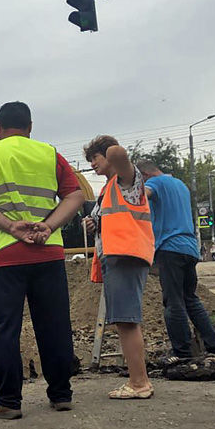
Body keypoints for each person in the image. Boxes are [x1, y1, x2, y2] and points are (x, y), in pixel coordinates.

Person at [0, 101, 85, 419]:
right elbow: (75, 194)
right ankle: (61, 395)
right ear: (30, 127)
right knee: (55, 325)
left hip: (2, 254)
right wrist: (49, 225)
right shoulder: (49, 154)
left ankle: (7, 401)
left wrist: (9, 226)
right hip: (48, 251)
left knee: (6, 328)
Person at [83, 135, 154, 400]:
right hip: (118, 257)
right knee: (125, 320)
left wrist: (108, 148)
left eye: (95, 158)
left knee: (127, 320)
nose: (92, 165)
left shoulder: (127, 180)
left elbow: (118, 153)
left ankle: (139, 383)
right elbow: (111, 219)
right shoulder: (107, 189)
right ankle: (139, 380)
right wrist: (94, 224)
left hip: (126, 256)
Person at [136, 161, 215, 360]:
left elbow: (142, 195)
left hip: (170, 248)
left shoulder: (156, 183)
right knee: (190, 299)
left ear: (144, 175)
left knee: (173, 302)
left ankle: (183, 353)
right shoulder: (180, 185)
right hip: (189, 248)